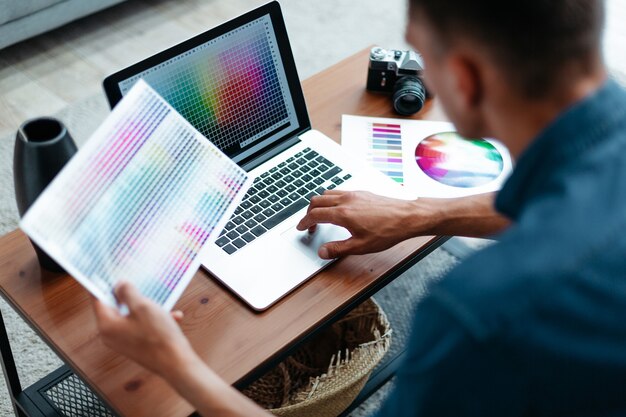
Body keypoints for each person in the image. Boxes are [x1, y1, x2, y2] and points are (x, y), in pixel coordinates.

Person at [93, 0, 626, 415]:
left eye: (421, 53)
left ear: (463, 78)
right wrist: (422, 213)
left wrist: (178, 365)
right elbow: (560, 204)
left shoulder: (480, 313)